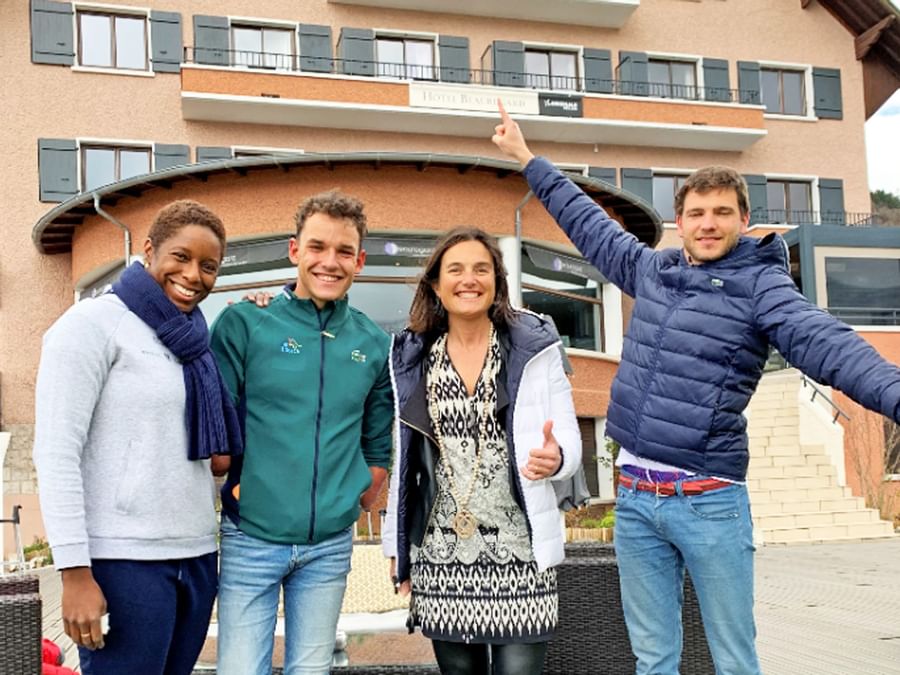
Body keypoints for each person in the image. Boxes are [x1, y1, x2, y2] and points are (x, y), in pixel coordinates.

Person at [491, 101, 900, 675]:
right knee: (653, 659)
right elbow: (587, 223)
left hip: (709, 502)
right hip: (635, 500)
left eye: (723, 213)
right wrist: (529, 159)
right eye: (698, 212)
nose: (709, 223)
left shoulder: (762, 288)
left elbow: (826, 343)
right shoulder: (650, 270)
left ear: (743, 221)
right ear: (678, 221)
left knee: (733, 660)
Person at [33, 200, 243, 675]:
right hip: (123, 561)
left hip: (194, 556)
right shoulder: (91, 326)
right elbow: (56, 453)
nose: (193, 275)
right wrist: (74, 572)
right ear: (149, 250)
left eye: (208, 266)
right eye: (181, 257)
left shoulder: (194, 339)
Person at [383, 227, 582, 675]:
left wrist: (559, 458)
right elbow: (405, 461)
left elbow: (569, 436)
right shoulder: (413, 357)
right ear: (435, 284)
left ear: (497, 282)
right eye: (455, 269)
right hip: (443, 554)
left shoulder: (534, 348)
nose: (468, 279)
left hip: (522, 553)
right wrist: (397, 545)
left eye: (481, 269)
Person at [210, 190, 394, 675]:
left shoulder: (373, 342)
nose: (329, 262)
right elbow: (214, 424)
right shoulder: (245, 322)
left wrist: (357, 498)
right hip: (252, 537)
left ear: (360, 260)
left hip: (329, 547)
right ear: (295, 251)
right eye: (317, 247)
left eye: (343, 252)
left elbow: (377, 441)